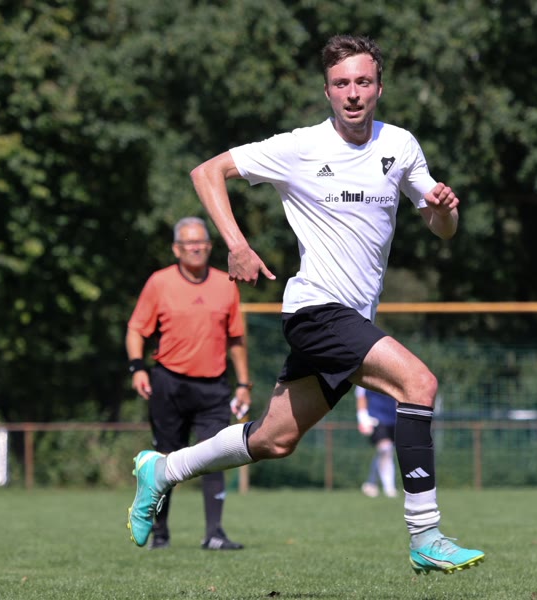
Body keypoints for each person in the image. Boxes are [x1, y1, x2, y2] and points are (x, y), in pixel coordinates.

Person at [126, 34, 485, 574]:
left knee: (274, 440)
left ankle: (163, 470)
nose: (353, 93)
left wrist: (445, 209)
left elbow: (442, 228)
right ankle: (425, 534)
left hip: (352, 320)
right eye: (342, 83)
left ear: (379, 88)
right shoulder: (300, 146)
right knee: (419, 383)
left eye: (363, 81)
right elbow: (207, 172)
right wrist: (237, 244)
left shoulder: (401, 146)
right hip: (316, 312)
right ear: (327, 91)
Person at [126, 216, 252, 550]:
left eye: (201, 242)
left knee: (216, 455)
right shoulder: (159, 282)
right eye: (189, 243)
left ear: (210, 246)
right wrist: (137, 368)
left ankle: (214, 534)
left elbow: (236, 339)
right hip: (169, 383)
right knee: (164, 458)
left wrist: (243, 383)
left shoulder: (226, 284)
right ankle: (160, 534)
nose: (196, 248)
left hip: (213, 387)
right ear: (176, 248)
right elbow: (136, 329)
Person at [355, 386, 398, 498]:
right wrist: (362, 418)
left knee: (386, 452)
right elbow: (361, 397)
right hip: (375, 420)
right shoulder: (366, 379)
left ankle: (371, 483)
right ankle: (389, 488)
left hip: (393, 419)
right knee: (385, 449)